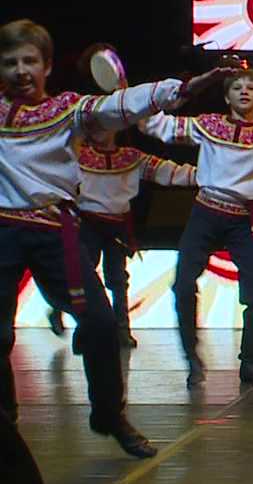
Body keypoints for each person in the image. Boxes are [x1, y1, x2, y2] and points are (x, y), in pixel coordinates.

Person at [0, 18, 230, 457]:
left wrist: (186, 87)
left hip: (53, 232)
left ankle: (108, 414)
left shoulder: (68, 111)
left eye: (29, 61)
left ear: (47, 66)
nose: (20, 70)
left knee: (102, 324)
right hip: (3, 230)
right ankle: (5, 425)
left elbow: (123, 105)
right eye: (10, 62)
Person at [140, 68, 253, 388]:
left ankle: (250, 363)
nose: (244, 91)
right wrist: (157, 93)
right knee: (183, 284)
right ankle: (192, 358)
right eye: (237, 87)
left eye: (251, 87)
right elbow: (154, 125)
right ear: (227, 96)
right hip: (205, 213)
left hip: (244, 220)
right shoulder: (208, 125)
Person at [47, 124, 197, 347]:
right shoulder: (79, 156)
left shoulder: (131, 158)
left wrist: (209, 176)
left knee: (117, 278)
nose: (100, 128)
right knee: (82, 274)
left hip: (117, 225)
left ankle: (122, 329)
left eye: (106, 122)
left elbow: (168, 172)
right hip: (88, 223)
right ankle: (63, 312)